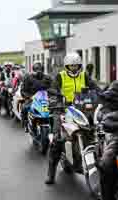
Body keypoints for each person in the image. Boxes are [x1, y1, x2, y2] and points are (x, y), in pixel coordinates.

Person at [45, 51, 100, 185]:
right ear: (67, 66)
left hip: (82, 108)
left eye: (76, 66)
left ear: (80, 66)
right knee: (58, 138)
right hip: (63, 108)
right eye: (72, 66)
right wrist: (55, 100)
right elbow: (53, 90)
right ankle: (51, 173)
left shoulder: (84, 75)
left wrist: (103, 95)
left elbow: (95, 88)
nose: (74, 68)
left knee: (96, 130)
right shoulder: (60, 76)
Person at [96, 80, 118, 200]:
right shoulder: (114, 87)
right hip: (116, 136)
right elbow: (106, 111)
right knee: (106, 163)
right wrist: (108, 120)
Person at [20, 61, 52, 132]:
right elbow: (23, 90)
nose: (38, 71)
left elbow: (53, 88)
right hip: (32, 98)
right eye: (36, 69)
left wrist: (52, 95)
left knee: (55, 110)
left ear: (43, 69)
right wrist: (29, 97)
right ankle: (26, 124)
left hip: (46, 99)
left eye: (40, 69)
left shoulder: (48, 78)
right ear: (33, 69)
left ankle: (55, 130)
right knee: (25, 107)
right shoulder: (28, 77)